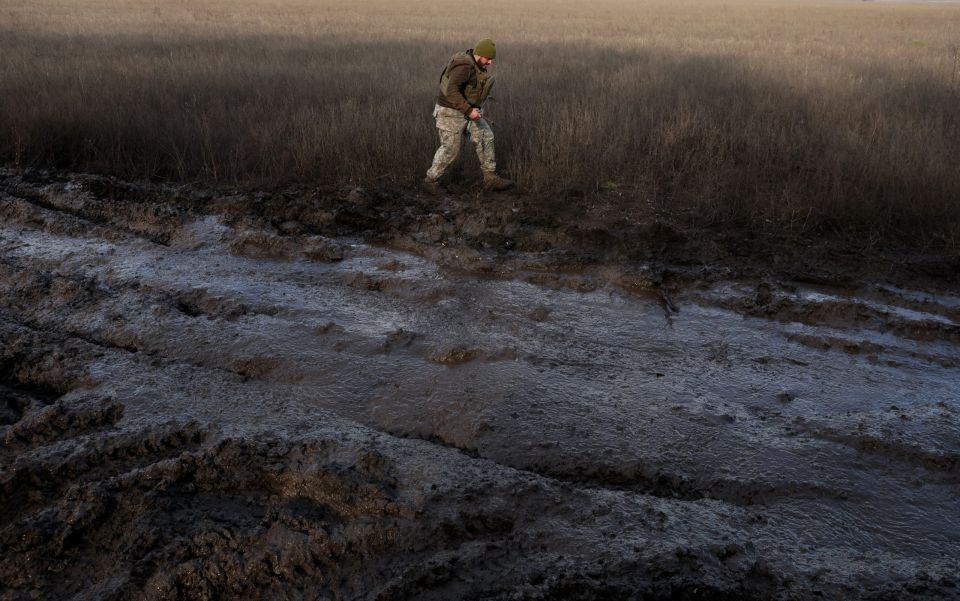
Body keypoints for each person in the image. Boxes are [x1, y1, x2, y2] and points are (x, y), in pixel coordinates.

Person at [423, 38, 514, 195]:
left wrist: (473, 108)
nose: (490, 63)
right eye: (488, 59)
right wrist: (469, 110)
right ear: (479, 54)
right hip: (449, 112)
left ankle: (490, 178)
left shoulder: (475, 64)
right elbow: (451, 90)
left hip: (466, 110)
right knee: (450, 149)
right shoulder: (464, 66)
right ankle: (430, 181)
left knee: (485, 136)